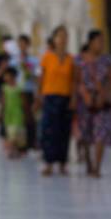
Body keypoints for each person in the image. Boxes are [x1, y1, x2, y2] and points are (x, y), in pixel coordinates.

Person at [76, 30, 111, 177]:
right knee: (86, 133)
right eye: (98, 41)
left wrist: (105, 95)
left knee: (100, 132)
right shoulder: (80, 60)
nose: (101, 44)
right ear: (90, 42)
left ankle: (97, 166)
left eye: (102, 41)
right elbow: (77, 80)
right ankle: (88, 161)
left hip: (102, 100)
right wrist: (85, 95)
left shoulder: (108, 60)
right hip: (85, 100)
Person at [37, 26, 77, 176]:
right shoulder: (47, 57)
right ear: (54, 39)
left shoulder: (71, 59)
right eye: (60, 36)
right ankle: (48, 163)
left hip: (65, 97)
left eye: (65, 36)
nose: (63, 39)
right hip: (50, 97)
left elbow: (74, 81)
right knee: (49, 131)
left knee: (64, 131)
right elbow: (42, 78)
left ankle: (62, 163)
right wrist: (38, 97)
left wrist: (73, 98)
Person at [13, 34, 39, 150]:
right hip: (18, 91)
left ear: (28, 45)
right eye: (19, 43)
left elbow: (38, 76)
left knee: (30, 117)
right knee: (19, 118)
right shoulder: (14, 61)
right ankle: (20, 143)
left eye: (24, 43)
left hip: (29, 90)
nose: (21, 46)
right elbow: (11, 76)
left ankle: (31, 142)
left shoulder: (34, 60)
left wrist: (30, 71)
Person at [2, 66, 26, 158]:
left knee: (17, 132)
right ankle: (12, 151)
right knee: (10, 132)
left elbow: (23, 101)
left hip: (18, 112)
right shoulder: (5, 88)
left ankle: (16, 150)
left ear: (12, 76)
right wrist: (2, 112)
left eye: (6, 75)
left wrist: (25, 111)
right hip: (9, 113)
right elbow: (3, 101)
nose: (5, 78)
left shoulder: (19, 87)